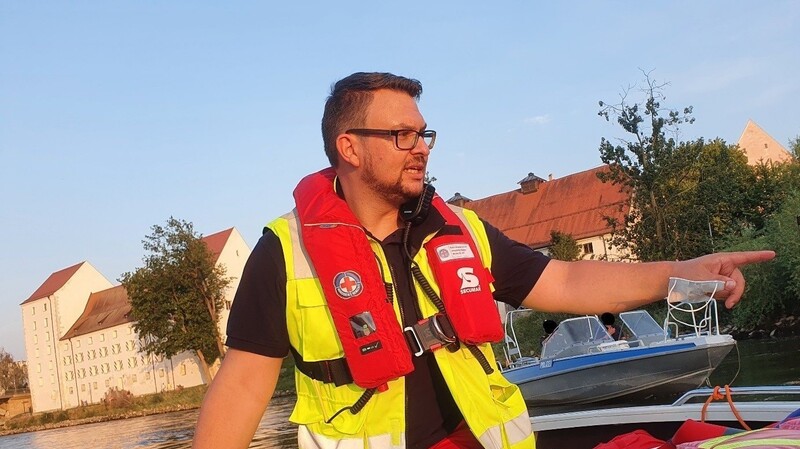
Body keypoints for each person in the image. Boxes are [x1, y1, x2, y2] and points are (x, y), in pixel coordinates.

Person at [192, 72, 775, 449]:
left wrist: (681, 275)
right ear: (348, 147)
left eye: (424, 134)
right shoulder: (283, 252)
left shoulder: (461, 230)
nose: (420, 146)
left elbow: (567, 279)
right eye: (401, 135)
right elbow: (243, 387)